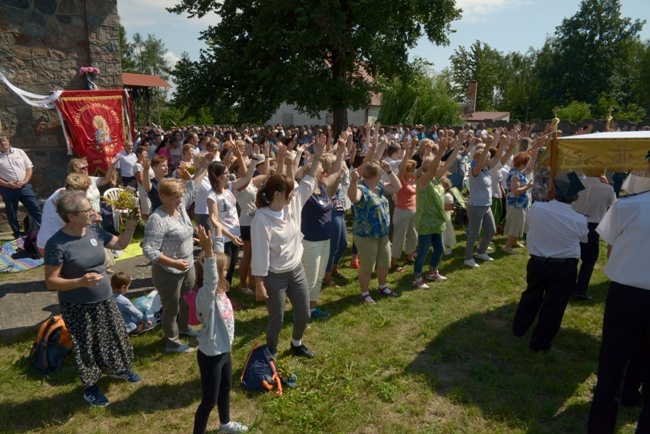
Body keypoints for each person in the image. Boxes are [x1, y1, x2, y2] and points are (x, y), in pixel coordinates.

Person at [44, 190, 140, 407]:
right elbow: (51, 281)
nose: (92, 213)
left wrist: (131, 226)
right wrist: (80, 282)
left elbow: (120, 245)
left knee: (113, 335)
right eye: (87, 210)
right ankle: (90, 387)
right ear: (71, 216)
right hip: (78, 304)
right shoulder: (57, 244)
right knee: (86, 345)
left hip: (105, 298)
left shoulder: (94, 231)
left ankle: (117, 369)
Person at [587, 153, 650, 433]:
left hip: (626, 293)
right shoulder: (628, 205)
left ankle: (601, 426)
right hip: (626, 291)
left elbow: (611, 248)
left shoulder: (629, 206)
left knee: (612, 363)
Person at [251, 140, 325, 358]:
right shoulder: (262, 220)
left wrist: (317, 157)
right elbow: (260, 253)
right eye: (289, 192)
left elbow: (309, 182)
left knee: (303, 313)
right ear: (276, 194)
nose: (293, 194)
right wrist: (259, 284)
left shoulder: (291, 203)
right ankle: (271, 355)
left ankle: (296, 343)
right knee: (277, 318)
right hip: (275, 276)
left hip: (296, 270)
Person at [512, 172, 589, 352]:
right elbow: (583, 239)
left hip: (538, 263)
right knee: (554, 305)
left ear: (553, 192)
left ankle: (519, 328)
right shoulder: (579, 219)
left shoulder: (537, 208)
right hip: (563, 267)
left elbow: (532, 223)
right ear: (576, 197)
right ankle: (540, 342)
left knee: (531, 294)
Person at [143, 163, 208, 354]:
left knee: (188, 299)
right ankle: (172, 343)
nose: (181, 200)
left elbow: (194, 186)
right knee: (171, 307)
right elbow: (150, 251)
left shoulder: (180, 208)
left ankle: (184, 328)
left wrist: (204, 163)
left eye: (181, 196)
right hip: (168, 271)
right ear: (163, 197)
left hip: (187, 265)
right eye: (176, 197)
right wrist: (173, 263)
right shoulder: (158, 220)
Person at [193, 225, 248, 434]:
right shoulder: (205, 296)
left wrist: (217, 235)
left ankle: (225, 424)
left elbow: (215, 269)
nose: (227, 271)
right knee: (209, 400)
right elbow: (211, 278)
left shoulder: (220, 291)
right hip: (211, 355)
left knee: (226, 388)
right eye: (223, 269)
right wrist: (208, 253)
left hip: (224, 350)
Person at [300, 136, 346, 319]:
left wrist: (341, 151)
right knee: (309, 280)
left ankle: (311, 309)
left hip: (325, 240)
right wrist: (317, 157)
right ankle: (301, 313)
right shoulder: (306, 193)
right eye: (321, 173)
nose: (325, 175)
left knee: (318, 278)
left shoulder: (324, 189)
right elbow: (311, 176)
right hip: (311, 242)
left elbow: (335, 172)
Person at [348, 155, 402, 304]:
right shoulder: (361, 188)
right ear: (374, 175)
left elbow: (398, 187)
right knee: (367, 265)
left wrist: (390, 171)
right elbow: (353, 198)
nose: (381, 176)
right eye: (380, 173)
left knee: (384, 262)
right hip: (366, 235)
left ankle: (382, 286)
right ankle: (365, 293)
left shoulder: (379, 187)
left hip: (382, 234)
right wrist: (353, 181)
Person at [411, 140, 459, 289]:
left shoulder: (436, 179)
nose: (439, 169)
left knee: (439, 249)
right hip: (426, 221)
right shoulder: (422, 181)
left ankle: (432, 271)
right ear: (427, 168)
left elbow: (449, 163)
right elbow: (432, 170)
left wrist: (458, 145)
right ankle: (417, 277)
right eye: (436, 167)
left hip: (438, 220)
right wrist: (440, 151)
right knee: (423, 252)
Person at [570, 169, 616, 301]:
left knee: (572, 256)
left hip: (574, 222)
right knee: (589, 259)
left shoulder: (576, 183)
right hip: (592, 225)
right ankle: (579, 290)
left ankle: (570, 287)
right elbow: (613, 205)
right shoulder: (607, 188)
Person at [463, 133, 507, 268]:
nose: (488, 160)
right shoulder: (474, 170)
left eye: (488, 158)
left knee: (491, 230)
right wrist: (488, 145)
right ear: (477, 158)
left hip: (486, 205)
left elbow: (498, 157)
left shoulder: (487, 169)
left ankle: (481, 252)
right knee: (474, 234)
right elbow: (481, 162)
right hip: (476, 205)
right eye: (486, 158)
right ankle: (468, 258)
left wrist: (503, 142)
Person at [0, 135, 42, 238]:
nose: (3, 144)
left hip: (25, 186)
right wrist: (6, 184)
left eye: (4, 141)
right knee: (11, 212)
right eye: (0, 142)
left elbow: (29, 168)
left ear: (8, 141)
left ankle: (43, 229)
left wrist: (24, 181)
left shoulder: (20, 152)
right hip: (8, 188)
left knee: (35, 207)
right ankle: (17, 234)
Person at [502, 152, 535, 254]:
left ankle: (514, 242)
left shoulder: (518, 172)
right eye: (526, 163)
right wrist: (528, 187)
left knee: (519, 224)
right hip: (515, 205)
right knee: (515, 225)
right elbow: (515, 191)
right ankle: (507, 247)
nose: (526, 165)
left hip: (520, 204)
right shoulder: (515, 174)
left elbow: (529, 169)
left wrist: (533, 158)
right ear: (522, 164)